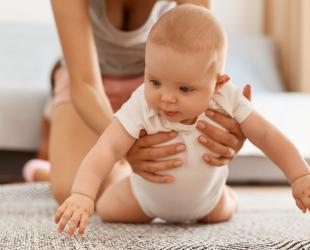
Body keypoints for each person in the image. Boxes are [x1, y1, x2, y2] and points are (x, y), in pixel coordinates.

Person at [54, 5, 310, 237]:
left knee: (223, 209)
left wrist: (299, 176)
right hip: (143, 200)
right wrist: (82, 195)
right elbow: (107, 147)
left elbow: (267, 135)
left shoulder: (225, 97)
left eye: (184, 90)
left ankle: (226, 196)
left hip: (207, 203)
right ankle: (106, 178)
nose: (166, 99)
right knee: (106, 207)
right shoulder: (143, 102)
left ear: (218, 83)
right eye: (155, 83)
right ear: (148, 73)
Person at [30, 0, 252, 205]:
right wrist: (122, 144)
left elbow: (206, 62)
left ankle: (94, 171)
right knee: (70, 190)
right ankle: (48, 171)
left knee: (170, 174)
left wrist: (226, 122)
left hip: (156, 83)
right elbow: (85, 82)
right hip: (89, 80)